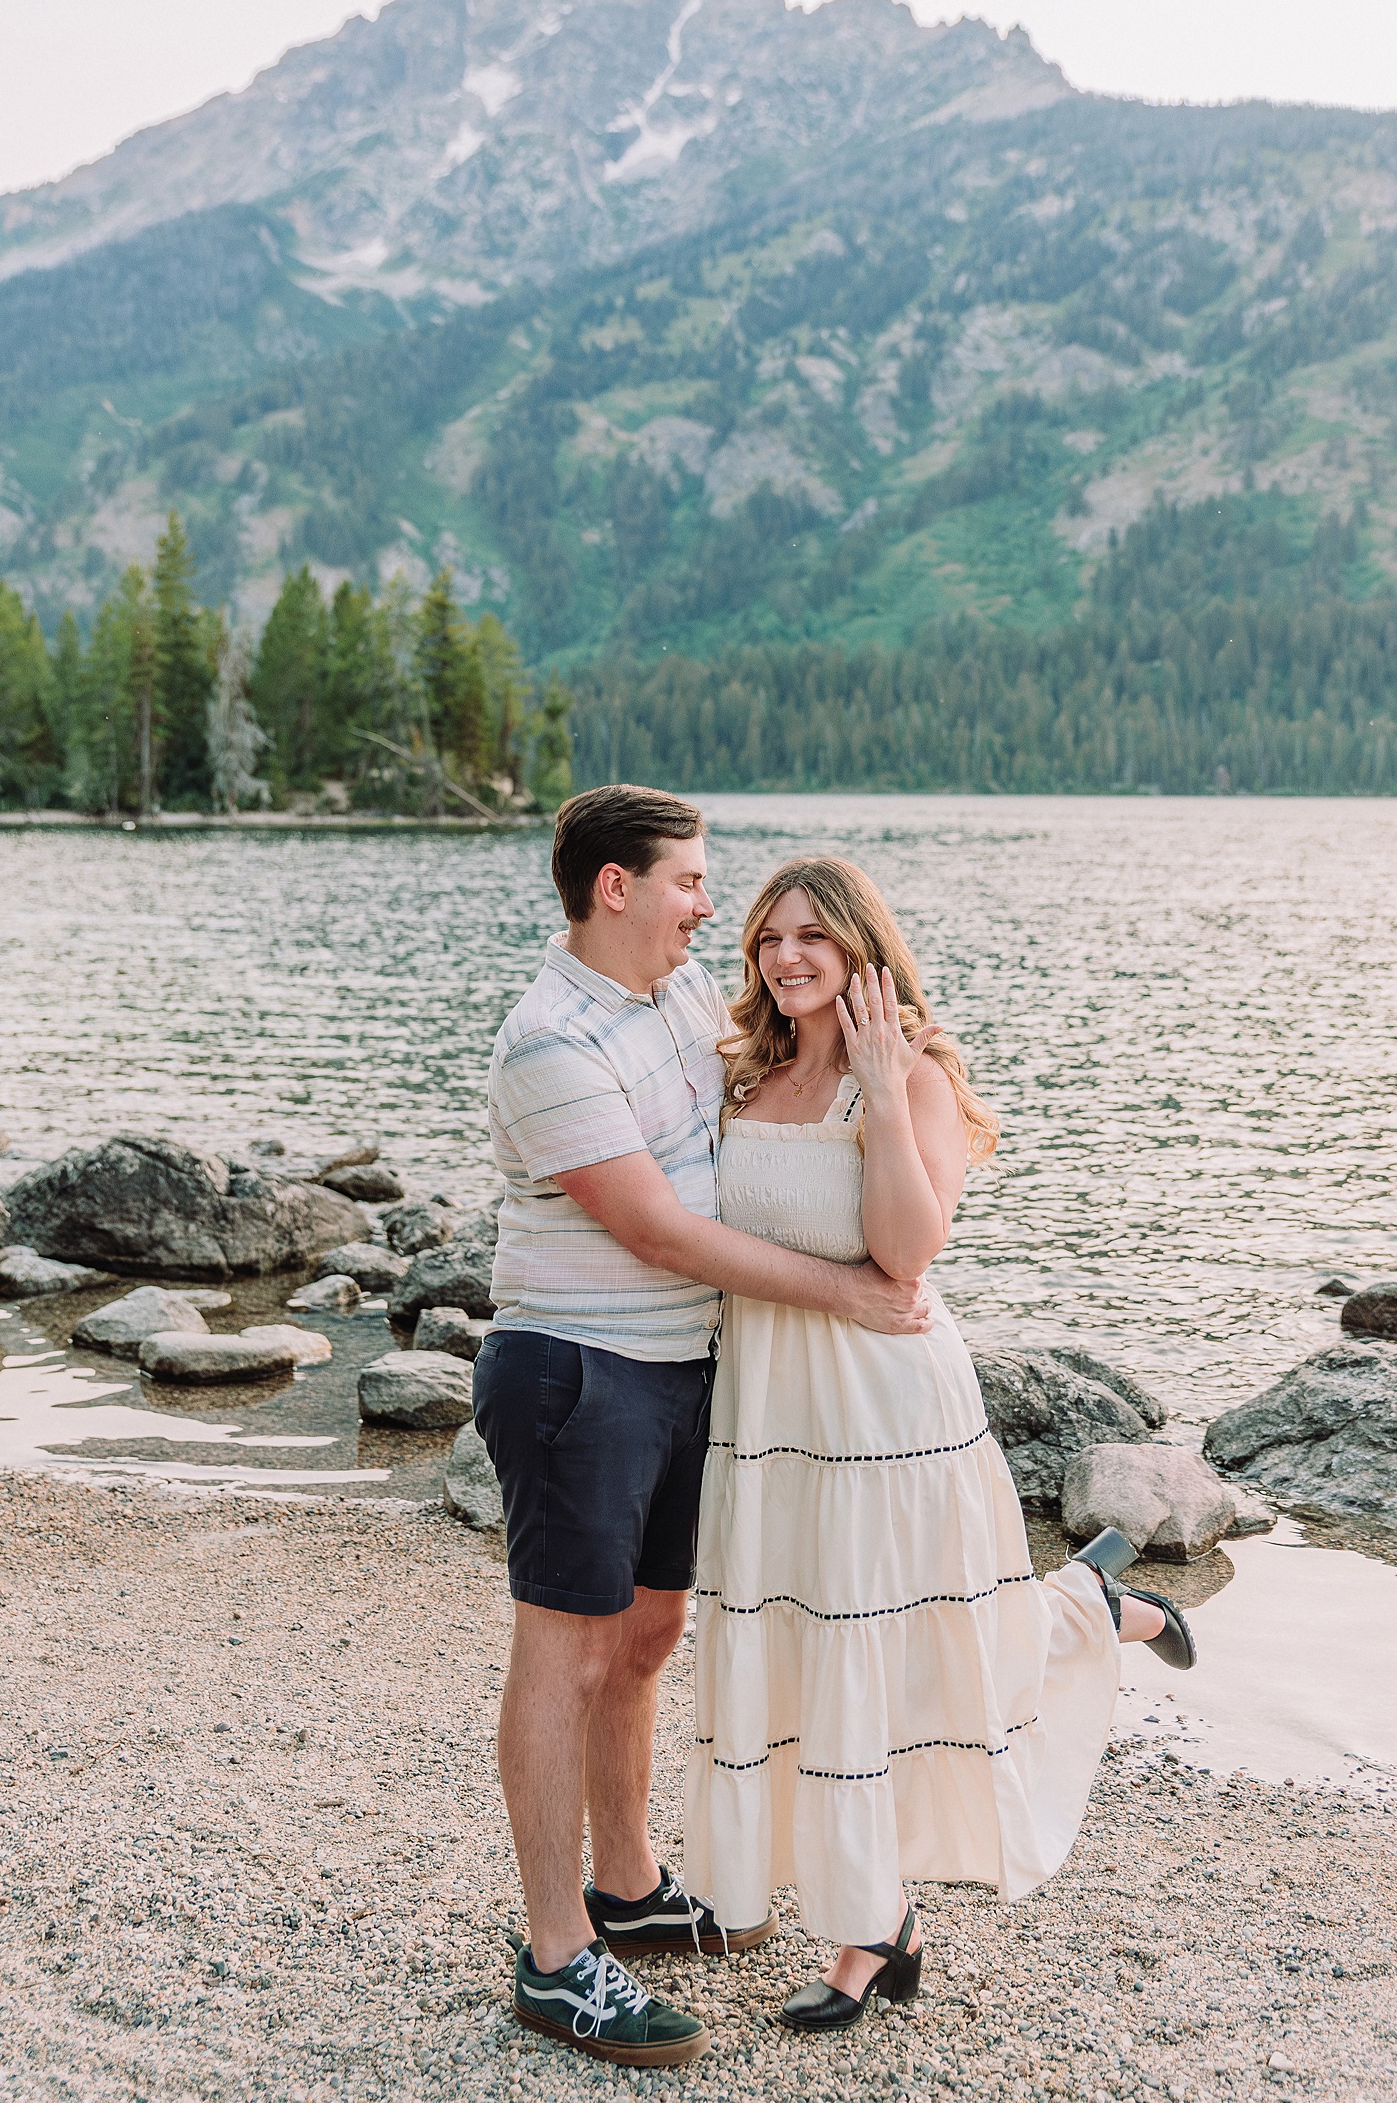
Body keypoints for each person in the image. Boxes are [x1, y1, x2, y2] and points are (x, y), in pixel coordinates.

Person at [685, 857, 1195, 2032]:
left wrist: (874, 1085)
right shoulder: (744, 1070)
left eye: (812, 937)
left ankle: (871, 1934)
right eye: (768, 938)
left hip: (882, 1406)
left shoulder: (910, 1075)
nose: (785, 957)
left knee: (892, 1647)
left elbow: (906, 1254)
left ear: (861, 948)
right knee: (808, 1639)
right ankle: (1095, 1604)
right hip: (766, 1408)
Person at [472, 789, 932, 2071]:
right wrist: (848, 1292)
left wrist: (884, 1078)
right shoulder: (548, 1042)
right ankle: (558, 1955)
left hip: (682, 1372)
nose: (705, 906)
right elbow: (659, 1231)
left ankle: (627, 1885)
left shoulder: (673, 995)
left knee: (647, 1637)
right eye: (686, 880)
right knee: (565, 1655)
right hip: (577, 1371)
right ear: (614, 888)